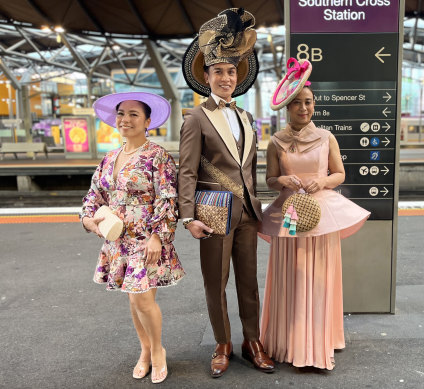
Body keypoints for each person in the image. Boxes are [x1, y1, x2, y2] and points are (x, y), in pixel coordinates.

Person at [178, 8, 275, 378]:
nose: (225, 77)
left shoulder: (247, 118)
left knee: (249, 284)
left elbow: (248, 169)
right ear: (206, 77)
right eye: (218, 71)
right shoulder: (196, 119)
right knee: (215, 283)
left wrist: (260, 208)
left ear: (238, 77)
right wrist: (188, 217)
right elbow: (186, 170)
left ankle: (253, 342)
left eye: (231, 72)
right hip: (213, 214)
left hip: (248, 213)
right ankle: (222, 344)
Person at [258, 59, 371, 370]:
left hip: (321, 215)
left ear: (314, 104)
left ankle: (319, 341)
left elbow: (339, 175)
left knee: (318, 277)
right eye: (297, 103)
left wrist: (322, 180)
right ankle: (288, 342)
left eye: (308, 102)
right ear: (287, 107)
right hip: (290, 215)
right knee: (291, 274)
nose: (303, 108)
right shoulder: (275, 141)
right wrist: (281, 180)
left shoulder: (327, 137)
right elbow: (268, 180)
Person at [80, 92, 184, 384]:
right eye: (121, 113)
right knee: (134, 300)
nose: (125, 119)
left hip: (146, 238)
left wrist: (158, 237)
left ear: (148, 121)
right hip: (117, 241)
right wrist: (88, 219)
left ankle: (157, 352)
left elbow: (168, 197)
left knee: (142, 300)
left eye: (133, 114)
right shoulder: (110, 157)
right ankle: (146, 350)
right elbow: (94, 195)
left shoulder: (157, 156)